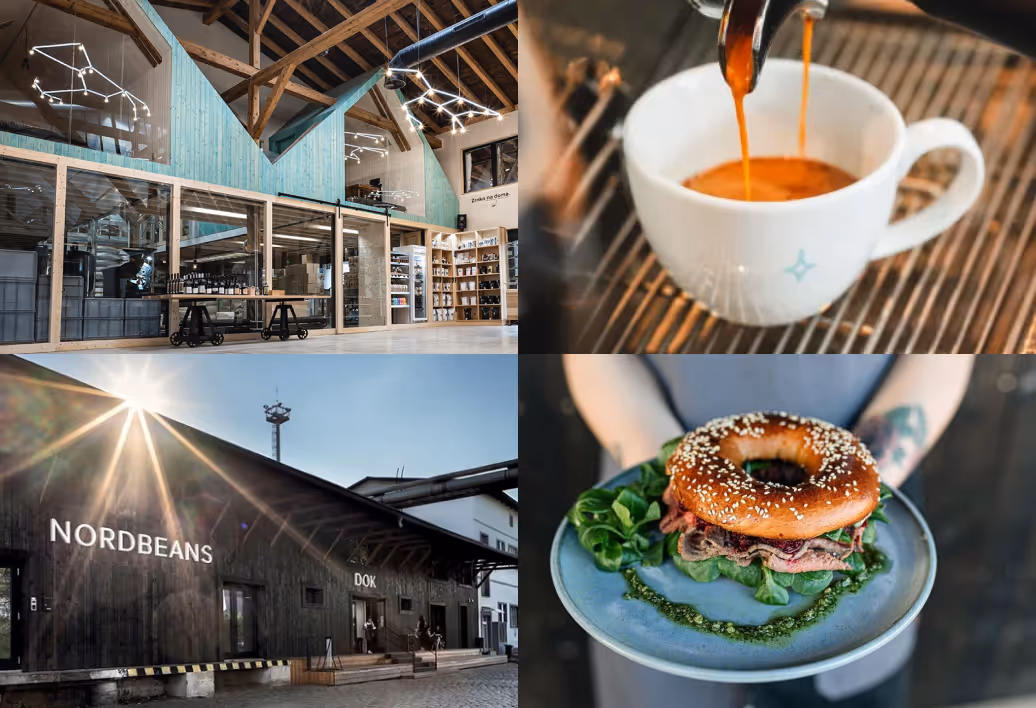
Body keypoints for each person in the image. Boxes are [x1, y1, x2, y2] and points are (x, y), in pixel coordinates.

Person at [563, 354, 973, 708]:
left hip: (865, 472)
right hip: (657, 458)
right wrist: (671, 475)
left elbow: (945, 343)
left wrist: (855, 493)